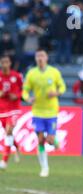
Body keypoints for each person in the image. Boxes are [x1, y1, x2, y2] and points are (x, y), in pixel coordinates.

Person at [22, 49, 66, 177]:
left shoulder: (54, 72)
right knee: (40, 140)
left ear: (46, 58)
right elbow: (24, 91)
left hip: (52, 111)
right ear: (35, 59)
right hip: (37, 112)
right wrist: (28, 98)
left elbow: (62, 87)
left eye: (42, 56)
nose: (40, 58)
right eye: (38, 56)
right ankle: (44, 168)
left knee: (50, 140)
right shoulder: (31, 73)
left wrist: (56, 93)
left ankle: (54, 141)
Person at [0, 55, 22, 170]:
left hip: (14, 109)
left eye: (6, 62)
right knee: (9, 133)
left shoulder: (16, 76)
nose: (4, 65)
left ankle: (4, 161)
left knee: (8, 131)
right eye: (2, 62)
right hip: (2, 110)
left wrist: (16, 96)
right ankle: (17, 147)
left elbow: (22, 90)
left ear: (10, 63)